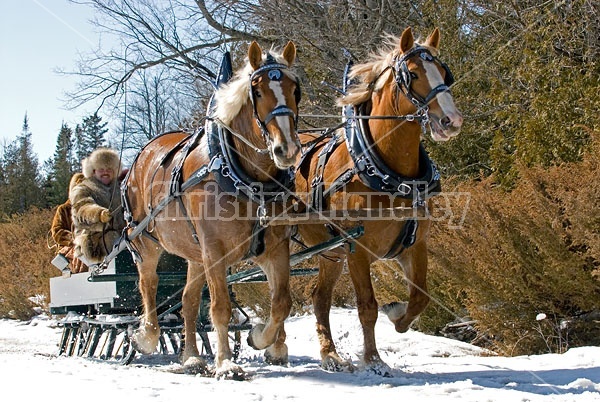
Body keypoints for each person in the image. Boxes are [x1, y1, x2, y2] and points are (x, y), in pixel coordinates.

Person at [70, 147, 126, 264]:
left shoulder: (123, 188)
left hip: (123, 243)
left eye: (109, 169)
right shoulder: (82, 188)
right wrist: (98, 214)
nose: (105, 172)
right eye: (101, 169)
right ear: (93, 170)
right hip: (93, 246)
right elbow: (81, 209)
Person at [50, 172, 88, 273]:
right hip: (68, 247)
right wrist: (75, 239)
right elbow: (57, 233)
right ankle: (82, 279)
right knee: (81, 253)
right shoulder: (63, 209)